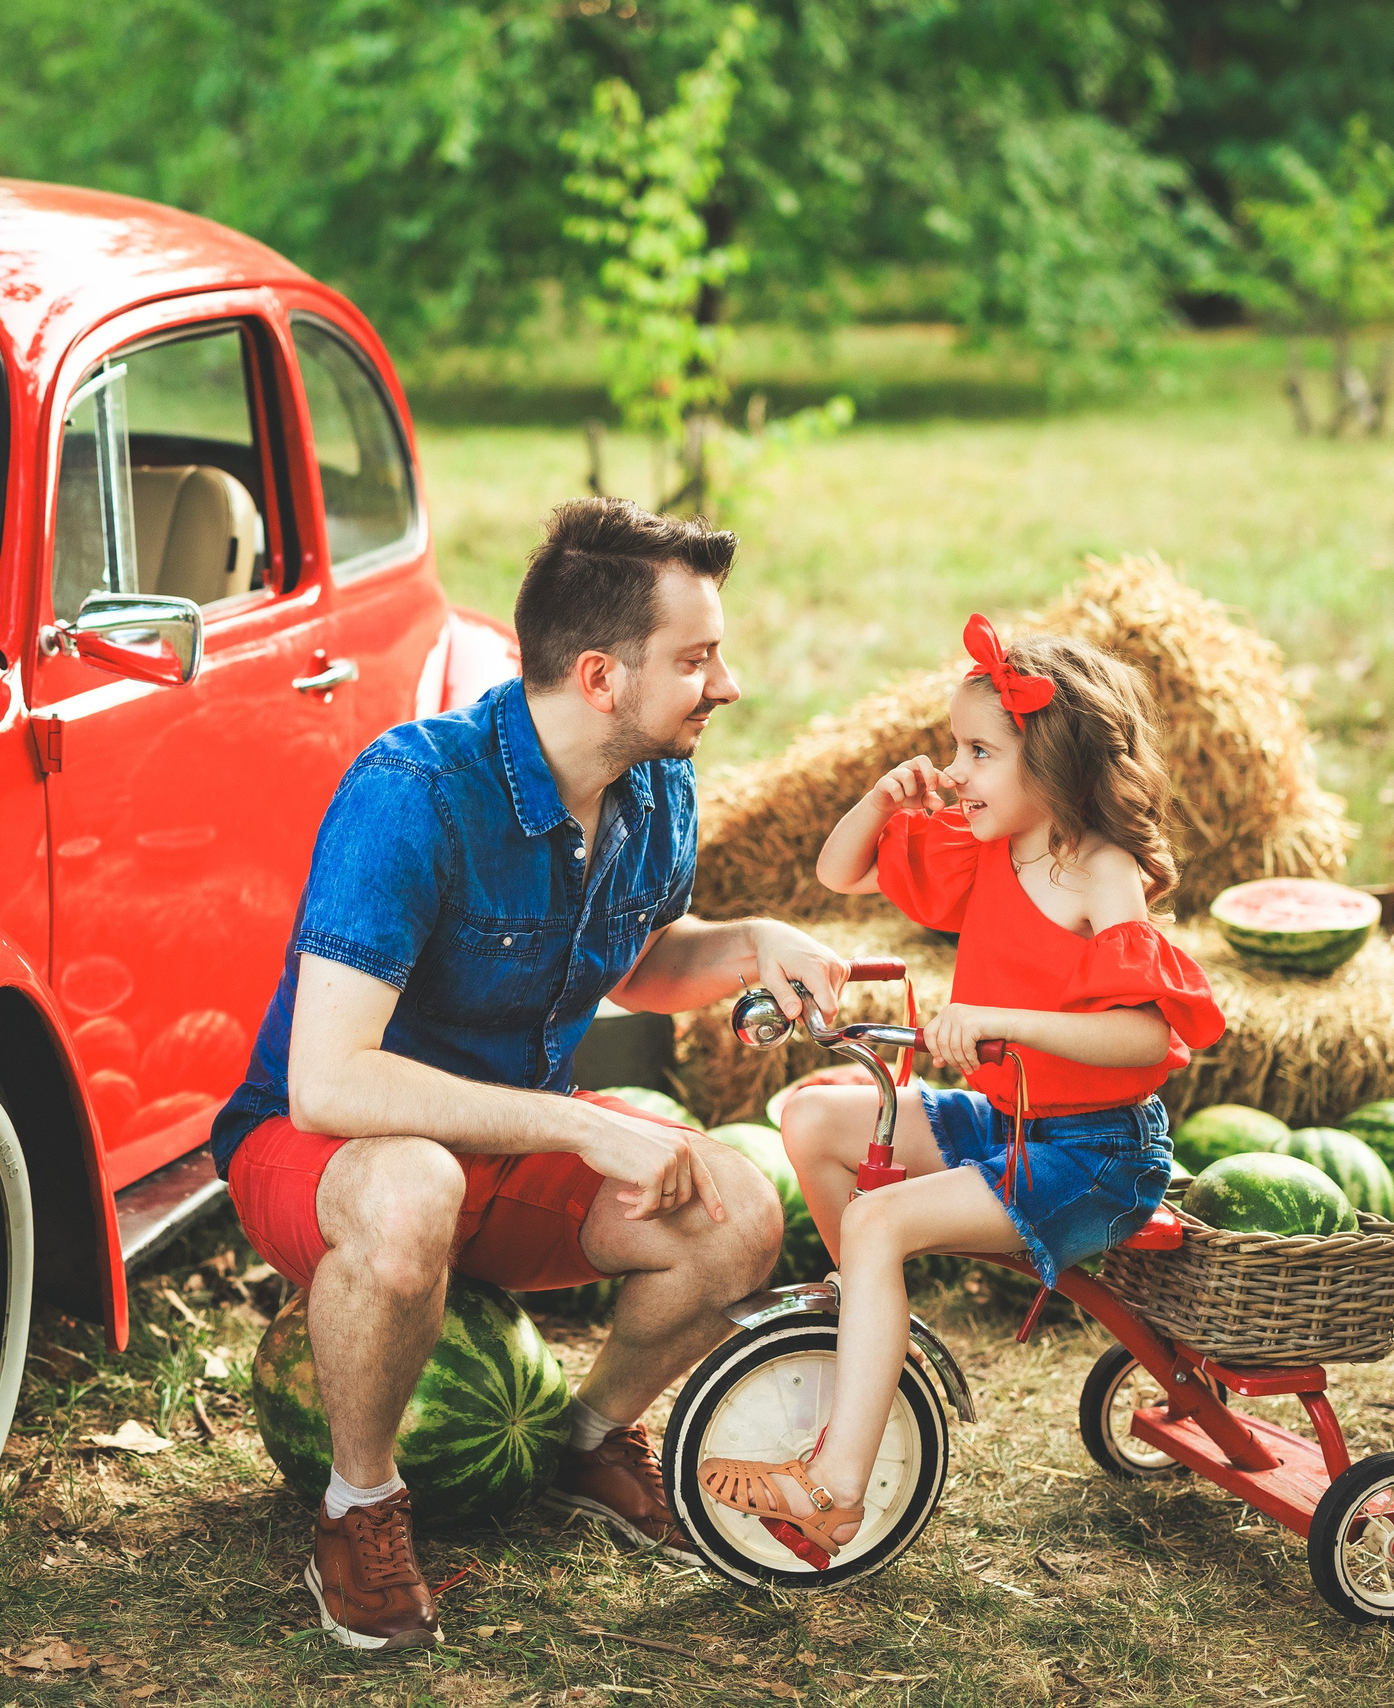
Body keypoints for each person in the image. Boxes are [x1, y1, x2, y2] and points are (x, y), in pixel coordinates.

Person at [210, 498, 850, 1652]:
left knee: (739, 1215)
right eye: (698, 659)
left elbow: (638, 961)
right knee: (412, 1190)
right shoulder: (412, 794)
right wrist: (578, 1125)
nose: (730, 684)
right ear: (600, 677)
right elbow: (327, 1081)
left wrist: (754, 938)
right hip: (327, 1154)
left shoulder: (654, 785)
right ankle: (359, 1505)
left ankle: (588, 1437)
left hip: (503, 1148)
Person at [693, 614, 1225, 1560]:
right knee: (812, 1115)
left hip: (1097, 1152)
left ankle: (835, 1492)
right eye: (954, 749)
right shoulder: (990, 848)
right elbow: (838, 869)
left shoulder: (1100, 872)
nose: (957, 771)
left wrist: (1003, 1023)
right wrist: (879, 797)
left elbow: (1145, 1034)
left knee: (879, 1219)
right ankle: (864, 1312)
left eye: (980, 751)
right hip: (1016, 1119)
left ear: (1054, 764)